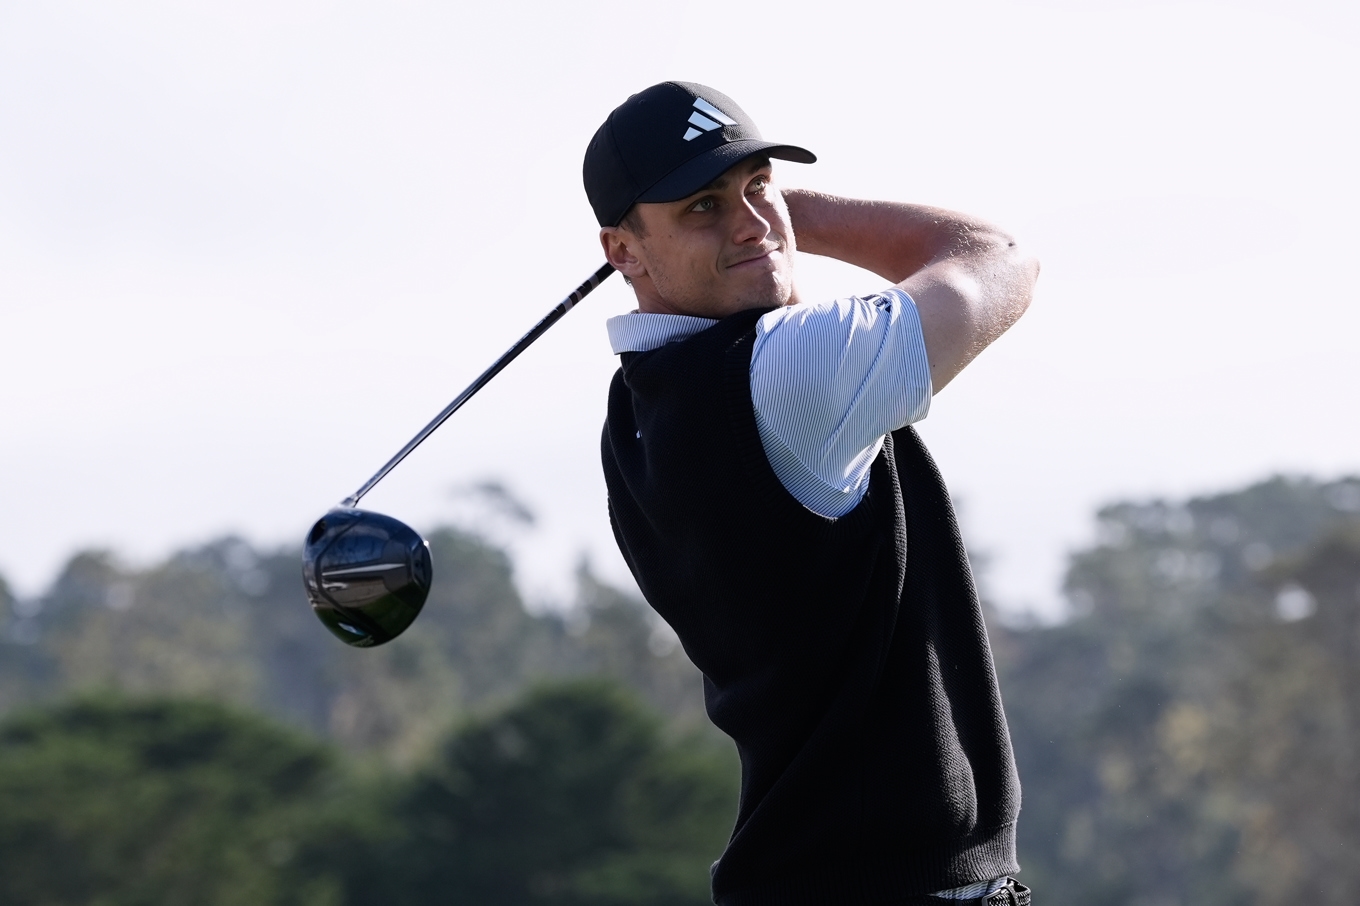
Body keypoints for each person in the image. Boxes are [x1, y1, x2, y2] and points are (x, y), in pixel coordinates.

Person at [583, 82, 1039, 906]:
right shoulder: (785, 371)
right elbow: (998, 259)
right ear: (623, 251)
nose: (750, 221)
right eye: (702, 207)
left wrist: (744, 226)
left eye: (759, 185)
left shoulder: (636, 415)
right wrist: (802, 217)